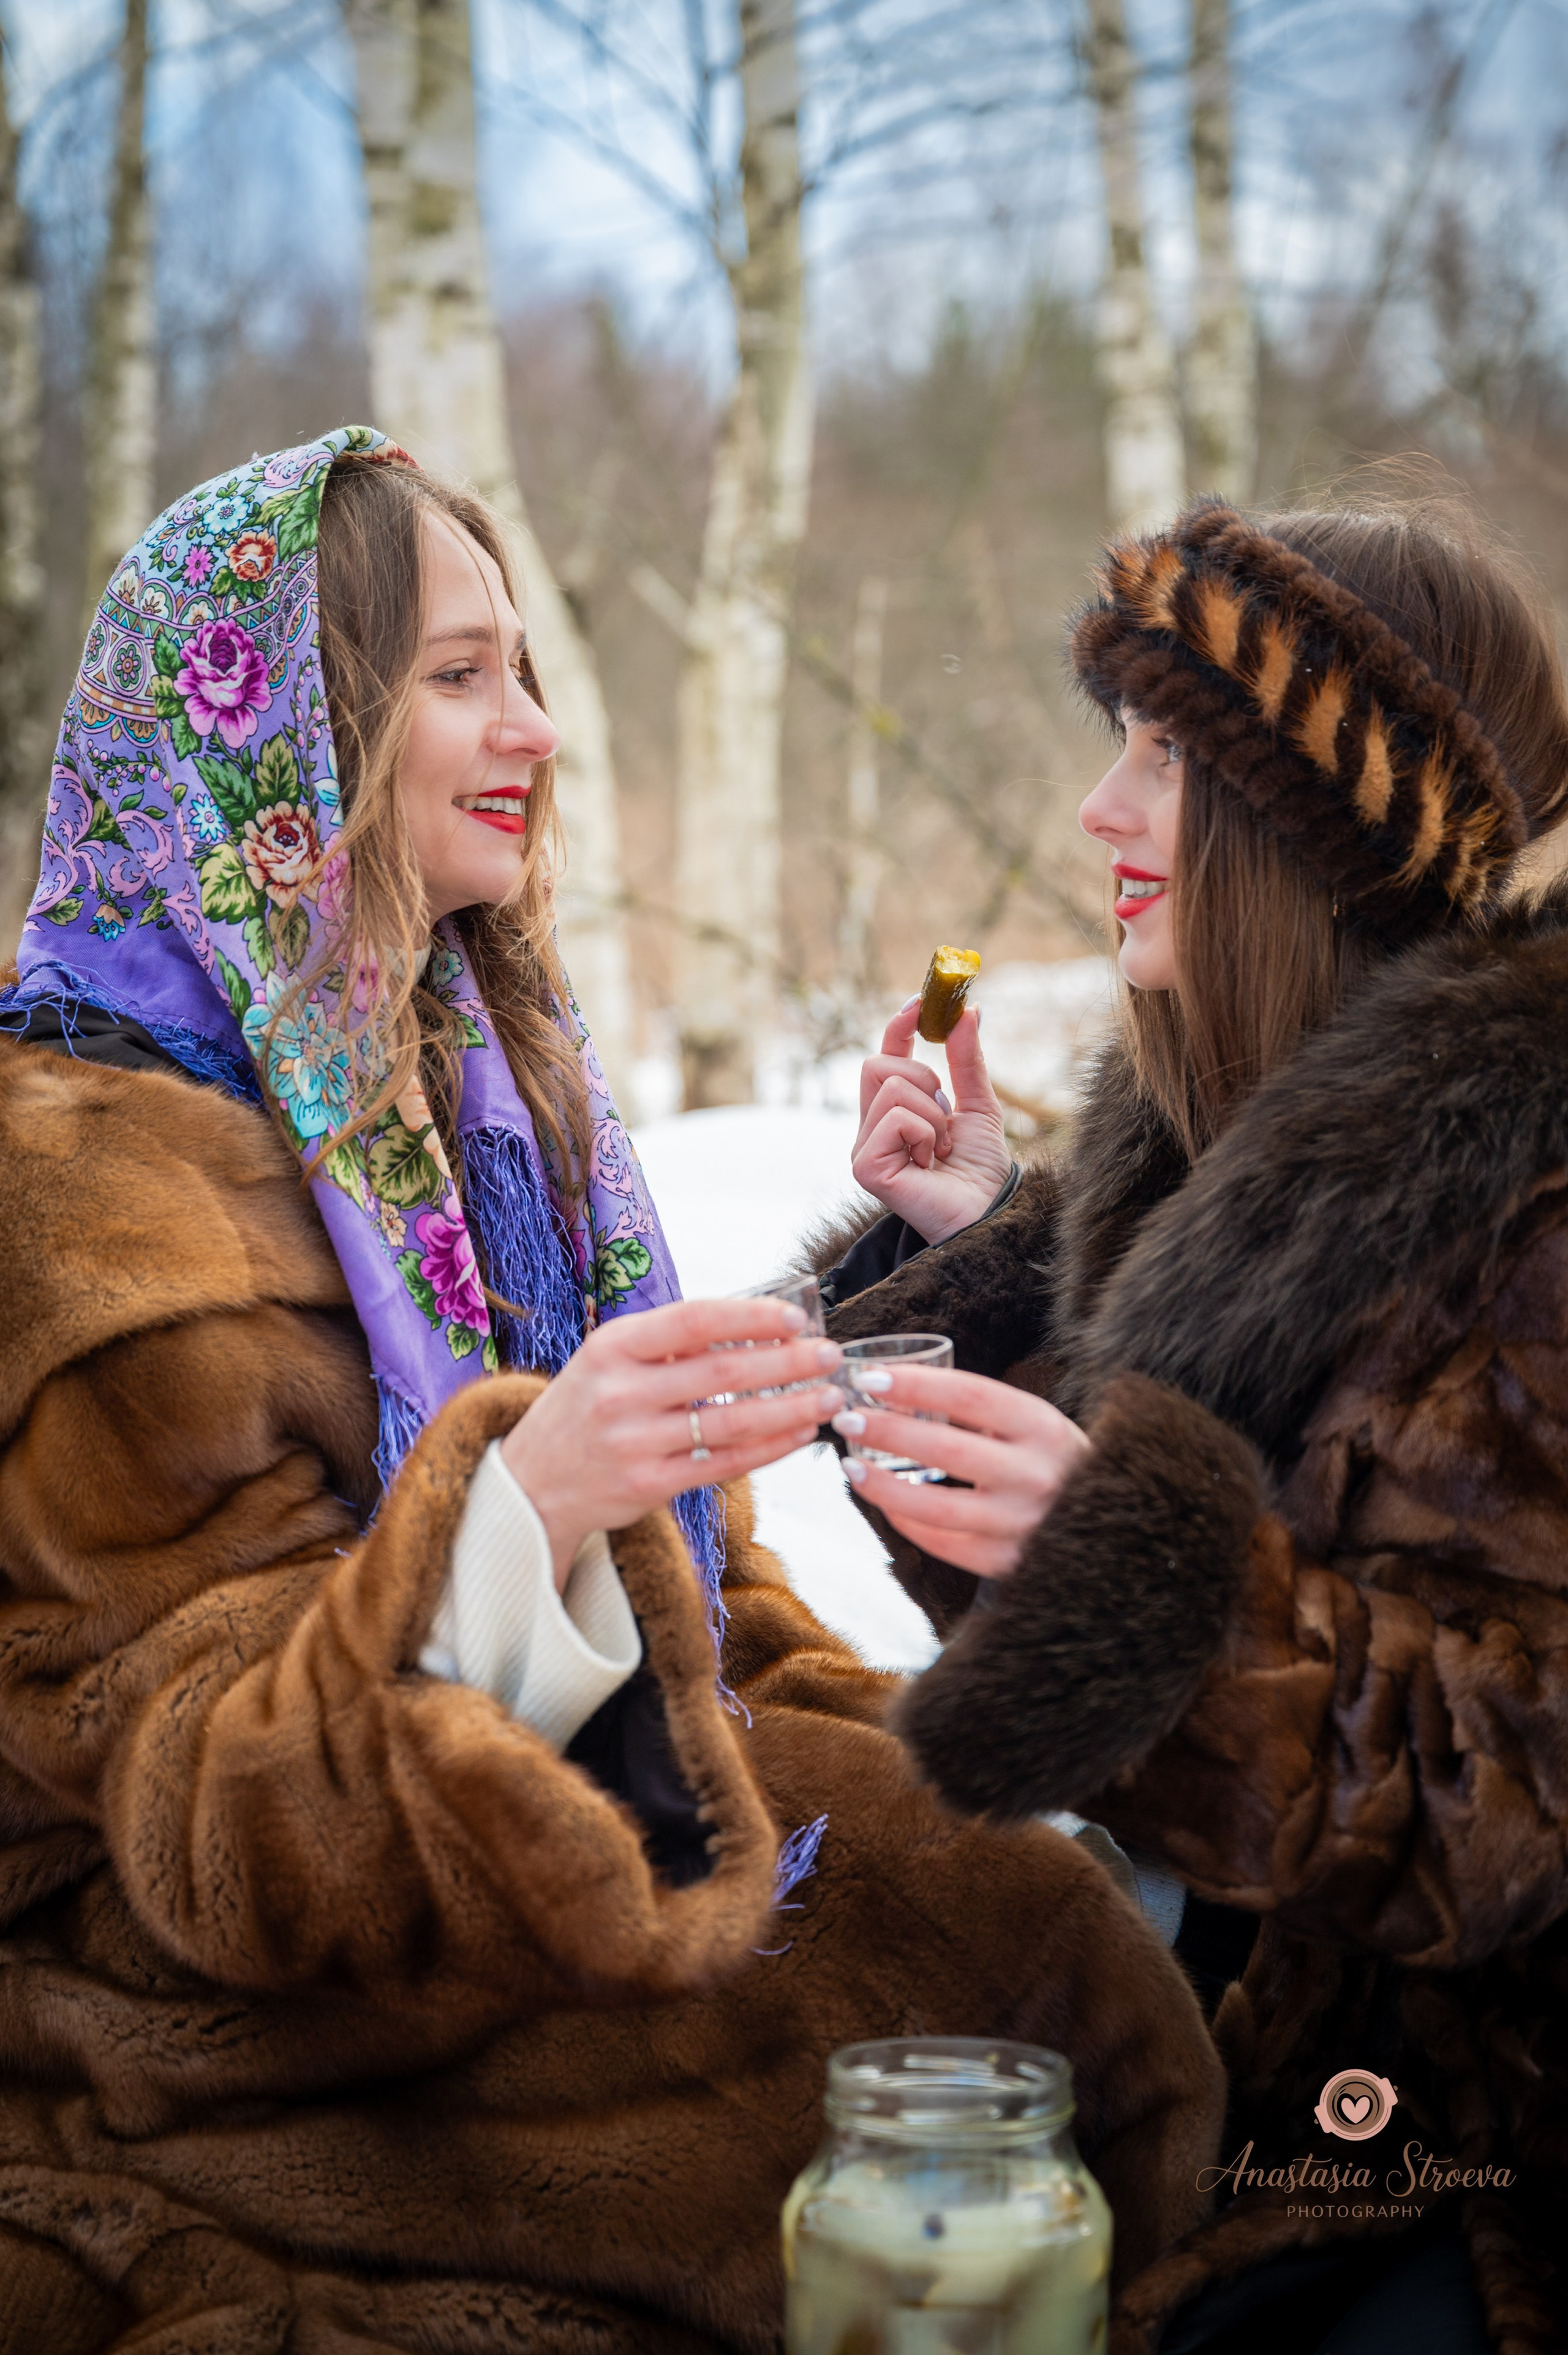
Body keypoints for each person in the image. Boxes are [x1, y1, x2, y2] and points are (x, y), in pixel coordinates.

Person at [0, 426, 1223, 2352]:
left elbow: (709, 1607)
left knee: (1041, 1932)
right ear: (278, 739)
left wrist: (929, 1767)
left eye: (530, 669)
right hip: (256, 2028)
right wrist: (519, 1514)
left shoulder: (488, 1091)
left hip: (558, 1877)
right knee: (943, 2113)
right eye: (460, 674)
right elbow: (205, 1833)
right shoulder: (86, 1191)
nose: (539, 730)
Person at [812, 489, 1568, 2354]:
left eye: (1167, 758)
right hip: (1256, 2035)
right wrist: (991, 1260)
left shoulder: (1535, 1218)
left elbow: (1507, 1802)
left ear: (1320, 827)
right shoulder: (1209, 1157)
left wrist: (1150, 1581)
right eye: (1119, 743)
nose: (1100, 810)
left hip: (1473, 2150)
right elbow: (1143, 1567)